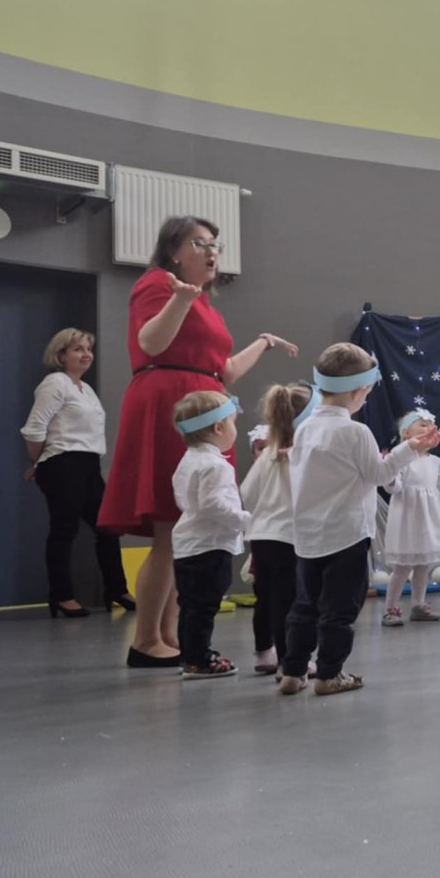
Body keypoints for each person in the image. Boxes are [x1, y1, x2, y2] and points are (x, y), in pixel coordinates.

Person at [98, 216, 296, 668]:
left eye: (215, 245)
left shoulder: (203, 303)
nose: (211, 252)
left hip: (205, 404)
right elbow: (151, 342)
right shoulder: (158, 284)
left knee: (189, 532)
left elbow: (224, 371)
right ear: (173, 252)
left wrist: (263, 342)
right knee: (172, 529)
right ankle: (146, 639)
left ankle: (171, 634)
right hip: (172, 403)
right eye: (199, 243)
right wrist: (180, 300)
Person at [279, 343, 438, 696]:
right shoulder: (355, 432)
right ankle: (329, 674)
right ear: (357, 391)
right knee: (338, 609)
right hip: (346, 535)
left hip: (307, 536)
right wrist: (410, 448)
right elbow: (379, 474)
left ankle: (292, 671)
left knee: (304, 605)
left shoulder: (305, 429)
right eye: (366, 393)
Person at [20, 328, 132, 616]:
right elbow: (34, 429)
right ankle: (61, 596)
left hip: (88, 465)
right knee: (64, 529)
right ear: (61, 356)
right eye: (78, 349)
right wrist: (39, 461)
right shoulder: (55, 383)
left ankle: (116, 589)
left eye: (88, 349)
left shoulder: (85, 388)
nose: (86, 355)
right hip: (63, 462)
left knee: (108, 527)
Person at [170, 391, 251, 680]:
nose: (234, 429)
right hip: (209, 547)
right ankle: (198, 660)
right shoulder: (215, 466)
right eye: (232, 422)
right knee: (203, 607)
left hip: (189, 545)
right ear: (218, 428)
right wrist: (245, 520)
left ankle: (190, 655)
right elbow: (212, 505)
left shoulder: (189, 460)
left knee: (191, 606)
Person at [239, 381, 312, 676]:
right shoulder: (303, 456)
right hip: (287, 538)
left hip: (261, 537)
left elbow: (246, 493)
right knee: (289, 602)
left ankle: (264, 652)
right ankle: (288, 661)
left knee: (266, 599)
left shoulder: (268, 455)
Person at [381, 409, 440, 627]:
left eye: (430, 425)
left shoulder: (436, 462)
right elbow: (395, 487)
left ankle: (418, 604)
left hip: (428, 518)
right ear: (406, 433)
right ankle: (390, 608)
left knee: (424, 564)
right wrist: (389, 479)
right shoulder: (401, 457)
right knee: (403, 567)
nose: (429, 428)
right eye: (422, 425)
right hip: (408, 517)